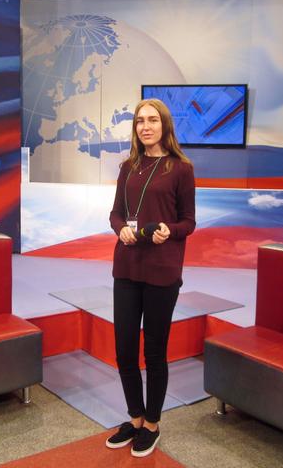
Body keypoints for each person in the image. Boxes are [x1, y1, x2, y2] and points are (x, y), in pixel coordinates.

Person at [106, 98, 196, 457]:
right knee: (124, 350)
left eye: (153, 120)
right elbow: (116, 213)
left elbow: (188, 221)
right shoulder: (128, 167)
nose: (146, 126)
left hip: (162, 270)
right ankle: (136, 418)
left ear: (165, 125)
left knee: (155, 352)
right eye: (140, 121)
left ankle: (153, 424)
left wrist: (169, 231)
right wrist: (120, 230)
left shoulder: (181, 168)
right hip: (127, 267)